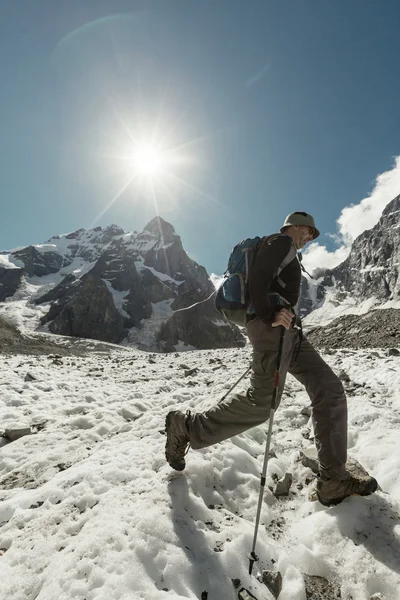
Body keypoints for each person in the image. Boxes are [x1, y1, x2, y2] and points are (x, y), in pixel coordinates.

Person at [165, 212, 378, 506]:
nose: (309, 237)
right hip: (272, 329)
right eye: (307, 230)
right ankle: (186, 427)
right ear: (293, 225)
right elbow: (260, 279)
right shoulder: (280, 242)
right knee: (261, 402)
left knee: (329, 390)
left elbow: (270, 284)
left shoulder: (286, 251)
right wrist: (269, 314)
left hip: (289, 334)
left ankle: (332, 480)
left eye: (313, 235)